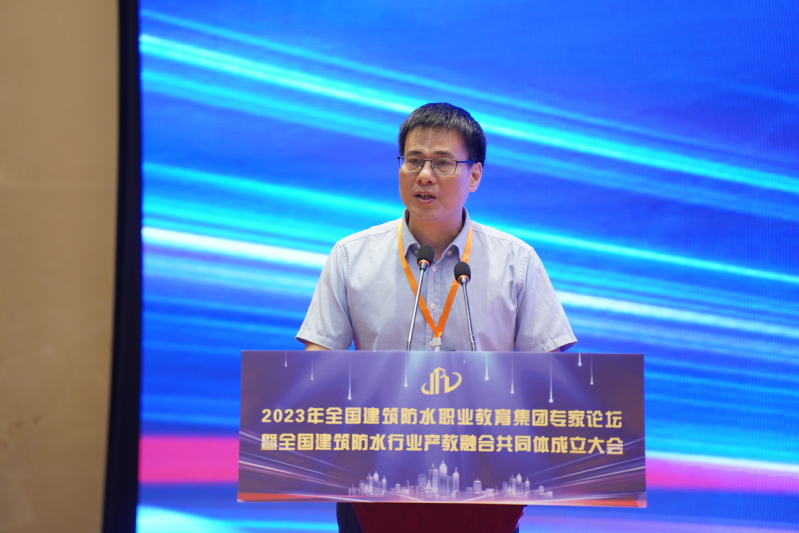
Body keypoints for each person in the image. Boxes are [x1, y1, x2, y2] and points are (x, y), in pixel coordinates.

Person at [296, 102, 577, 532]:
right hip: (376, 487)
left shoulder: (516, 262)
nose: (424, 175)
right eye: (413, 160)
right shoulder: (351, 256)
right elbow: (318, 368)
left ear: (475, 175)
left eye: (443, 163)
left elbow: (548, 379)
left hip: (485, 487)